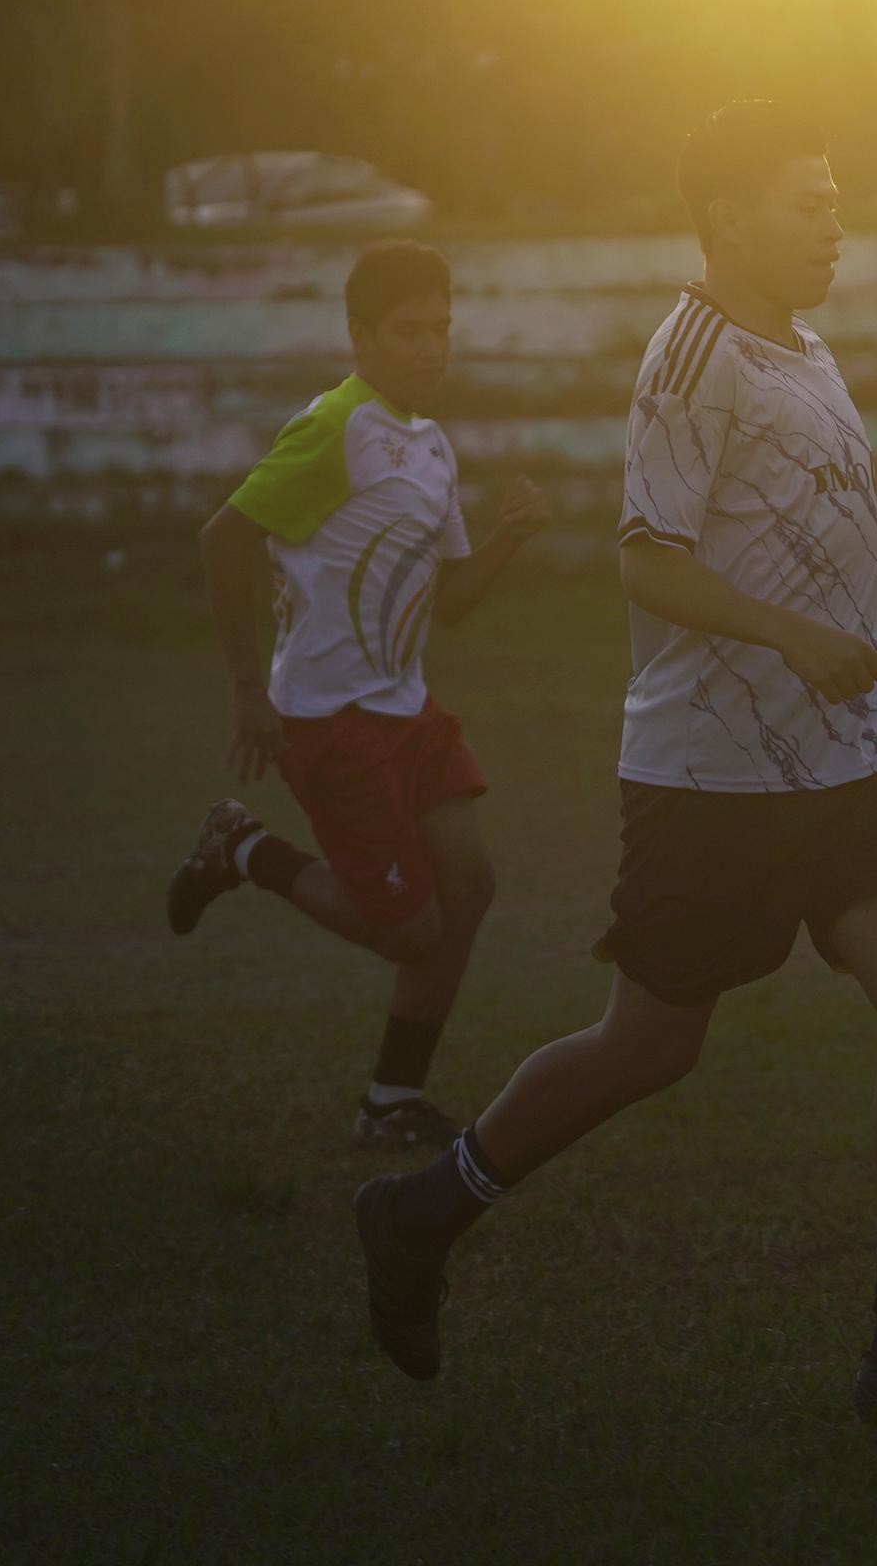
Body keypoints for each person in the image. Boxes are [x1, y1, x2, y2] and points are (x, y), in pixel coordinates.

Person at [346, 103, 877, 1426]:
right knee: (653, 1043)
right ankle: (420, 1214)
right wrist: (800, 638)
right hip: (716, 766)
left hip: (850, 757)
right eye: (807, 202)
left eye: (838, 200)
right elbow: (644, 556)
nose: (835, 223)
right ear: (727, 218)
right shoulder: (689, 360)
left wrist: (838, 661)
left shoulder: (806, 346)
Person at [163, 242, 551, 1152]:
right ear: (361, 335)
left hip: (405, 709)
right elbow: (224, 539)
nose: (431, 347)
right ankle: (243, 849)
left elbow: (451, 603)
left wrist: (509, 537)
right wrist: (244, 689)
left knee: (472, 883)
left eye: (442, 329)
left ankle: (389, 1101)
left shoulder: (432, 446)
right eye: (410, 332)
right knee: (412, 932)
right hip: (327, 719)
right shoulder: (337, 426)